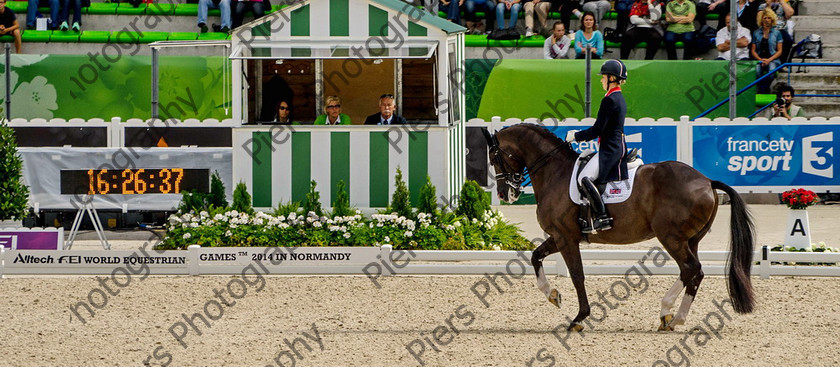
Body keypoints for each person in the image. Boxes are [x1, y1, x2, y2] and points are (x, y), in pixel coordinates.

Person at [564, 59, 629, 233]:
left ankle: (601, 216)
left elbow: (597, 130)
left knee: (583, 178)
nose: (601, 80)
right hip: (615, 145)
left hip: (610, 149)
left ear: (612, 78)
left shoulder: (610, 100)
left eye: (603, 77)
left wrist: (575, 136)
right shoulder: (617, 97)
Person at [750, 8, 782, 94]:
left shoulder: (777, 33)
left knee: (771, 71)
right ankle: (761, 87)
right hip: (760, 58)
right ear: (761, 19)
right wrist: (760, 59)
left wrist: (769, 60)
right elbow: (753, 50)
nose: (767, 20)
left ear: (772, 19)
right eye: (765, 18)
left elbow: (779, 51)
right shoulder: (756, 33)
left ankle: (765, 88)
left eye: (769, 18)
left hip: (773, 59)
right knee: (756, 71)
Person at [757, 0, 794, 65]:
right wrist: (768, 6)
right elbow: (759, 18)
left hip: (781, 29)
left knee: (788, 40)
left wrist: (782, 1)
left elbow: (789, 14)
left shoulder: (784, 5)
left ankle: (783, 63)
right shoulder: (763, 5)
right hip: (767, 29)